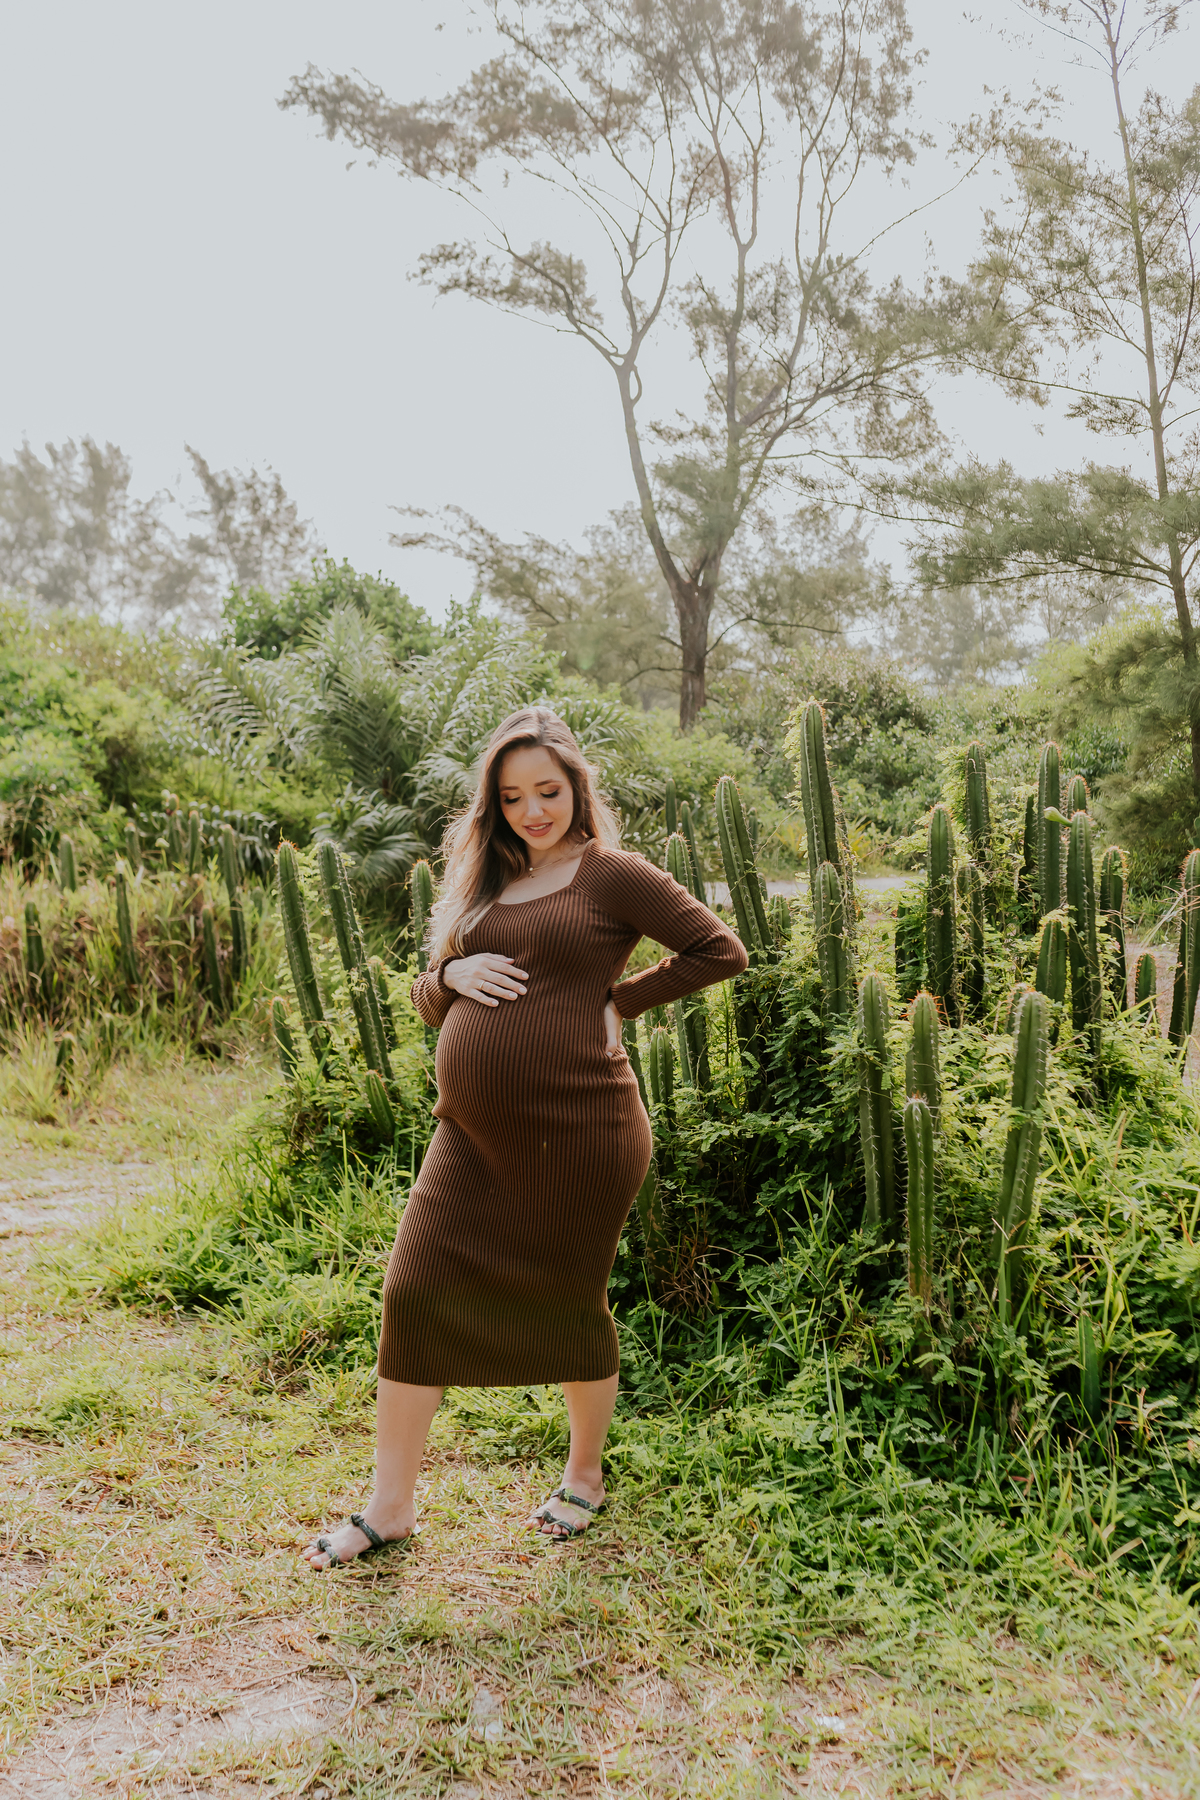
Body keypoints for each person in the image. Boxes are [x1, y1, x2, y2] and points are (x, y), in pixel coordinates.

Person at [302, 707, 746, 1567]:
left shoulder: (611, 873)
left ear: (577, 786)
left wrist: (619, 1001)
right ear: (494, 806)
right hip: (468, 1133)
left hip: (582, 1131)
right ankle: (389, 1508)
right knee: (413, 1292)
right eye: (512, 797)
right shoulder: (484, 884)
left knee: (566, 1302)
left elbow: (717, 949)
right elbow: (431, 1000)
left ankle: (584, 1475)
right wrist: (448, 972)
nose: (532, 811)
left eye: (547, 791)